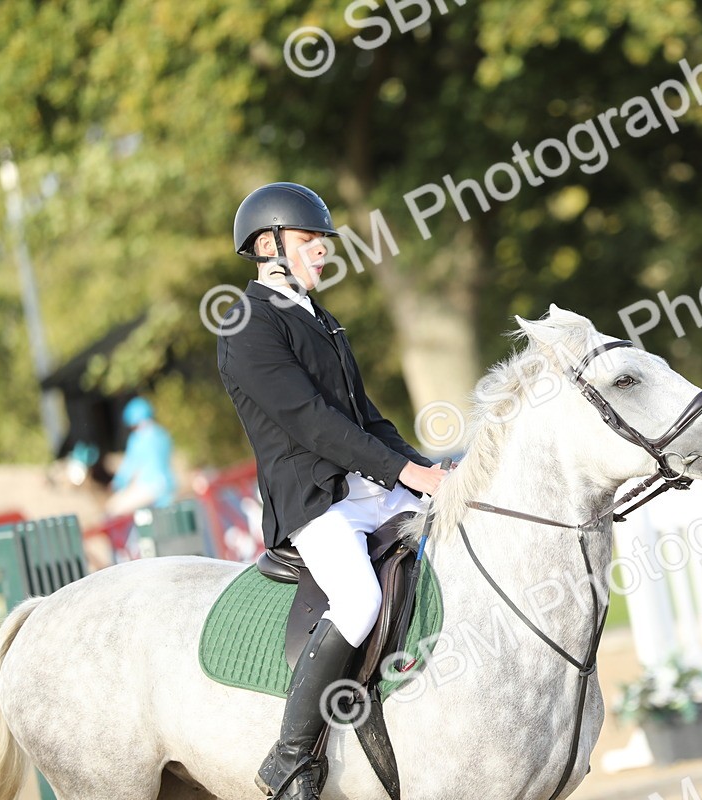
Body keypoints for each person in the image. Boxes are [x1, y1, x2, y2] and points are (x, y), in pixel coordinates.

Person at [216, 182, 448, 800]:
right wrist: (406, 475)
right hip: (313, 502)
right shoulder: (247, 324)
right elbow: (312, 423)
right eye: (309, 238)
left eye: (322, 240)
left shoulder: (318, 317)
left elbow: (366, 418)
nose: (322, 250)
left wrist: (429, 473)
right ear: (269, 245)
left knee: (457, 529)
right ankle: (291, 760)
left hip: (365, 487)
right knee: (358, 603)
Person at [105, 397, 177, 516]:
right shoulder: (163, 434)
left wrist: (117, 483)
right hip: (168, 485)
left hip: (150, 487)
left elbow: (129, 467)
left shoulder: (138, 439)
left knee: (112, 509)